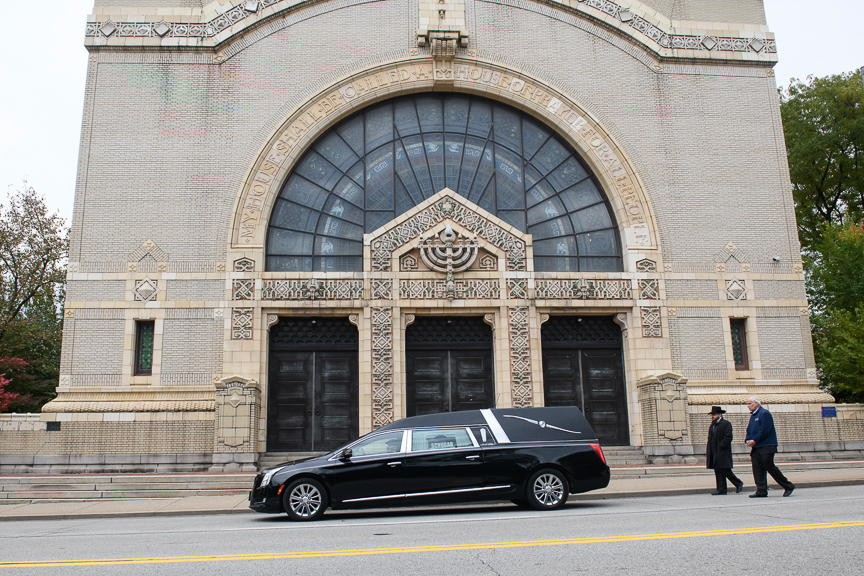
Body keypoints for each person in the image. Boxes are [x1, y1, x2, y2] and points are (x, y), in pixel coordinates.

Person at [745, 397, 795, 498]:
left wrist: (755, 440)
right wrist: (748, 439)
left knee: (769, 466)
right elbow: (749, 429)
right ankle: (761, 490)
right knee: (757, 468)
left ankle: (788, 485)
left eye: (750, 404)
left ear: (756, 404)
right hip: (756, 447)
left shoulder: (764, 413)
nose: (748, 406)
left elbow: (765, 430)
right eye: (748, 404)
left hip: (767, 446)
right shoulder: (753, 415)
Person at [706, 406, 743, 495]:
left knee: (725, 469)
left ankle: (738, 483)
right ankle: (721, 489)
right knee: (718, 470)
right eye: (712, 415)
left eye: (714, 415)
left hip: (722, 451)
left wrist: (721, 446)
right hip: (714, 451)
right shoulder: (713, 425)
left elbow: (728, 437)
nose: (713, 417)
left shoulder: (726, 423)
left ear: (719, 414)